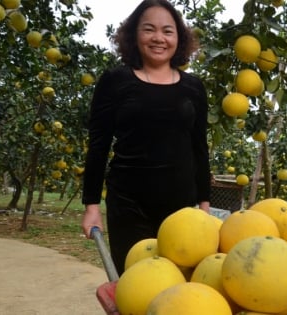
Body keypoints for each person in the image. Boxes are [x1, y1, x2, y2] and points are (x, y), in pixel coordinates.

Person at [80, 0, 211, 276]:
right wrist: (91, 206)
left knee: (179, 291)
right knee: (136, 286)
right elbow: (99, 145)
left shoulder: (193, 87)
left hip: (181, 210)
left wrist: (204, 205)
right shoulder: (115, 81)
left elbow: (200, 148)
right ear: (134, 35)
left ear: (179, 38)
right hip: (129, 206)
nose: (158, 38)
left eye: (168, 31)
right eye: (149, 29)